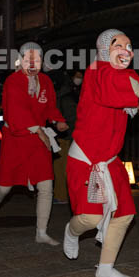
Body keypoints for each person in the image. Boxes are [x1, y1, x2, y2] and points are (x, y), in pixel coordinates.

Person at [62, 29, 139, 277]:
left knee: (125, 214)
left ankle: (105, 267)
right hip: (86, 157)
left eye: (128, 45)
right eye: (117, 45)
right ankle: (70, 231)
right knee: (90, 217)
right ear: (104, 49)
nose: (125, 49)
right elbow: (113, 91)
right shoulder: (96, 72)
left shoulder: (127, 76)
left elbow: (131, 84)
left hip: (110, 158)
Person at [0, 42, 68, 244]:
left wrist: (57, 120)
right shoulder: (12, 81)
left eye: (36, 59)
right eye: (28, 59)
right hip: (16, 139)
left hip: (38, 141)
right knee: (3, 186)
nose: (32, 63)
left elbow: (50, 106)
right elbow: (17, 110)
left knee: (46, 185)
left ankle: (41, 232)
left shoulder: (45, 81)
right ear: (21, 60)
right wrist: (37, 129)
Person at [53, 69, 83, 204]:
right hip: (68, 135)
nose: (79, 79)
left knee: (61, 167)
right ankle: (67, 195)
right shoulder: (70, 93)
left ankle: (62, 196)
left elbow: (71, 116)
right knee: (62, 167)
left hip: (67, 135)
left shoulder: (68, 94)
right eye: (77, 76)